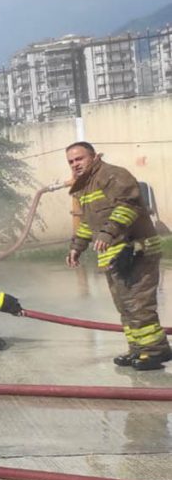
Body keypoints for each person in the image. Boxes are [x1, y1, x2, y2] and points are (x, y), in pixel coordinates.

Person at [65, 141, 171, 370]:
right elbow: (88, 223)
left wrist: (107, 232)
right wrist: (77, 247)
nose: (75, 164)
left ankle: (152, 352)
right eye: (71, 161)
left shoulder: (112, 175)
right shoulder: (86, 186)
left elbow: (128, 206)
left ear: (93, 157)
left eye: (79, 158)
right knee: (124, 305)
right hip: (115, 255)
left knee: (138, 304)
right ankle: (140, 349)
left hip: (137, 250)